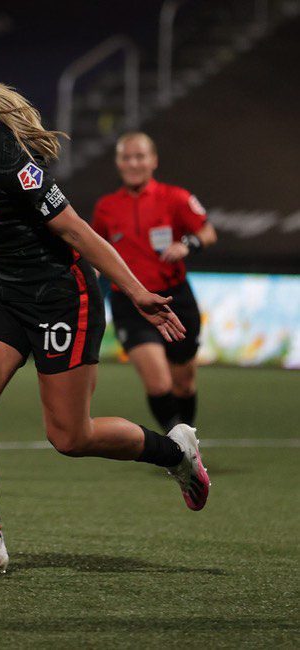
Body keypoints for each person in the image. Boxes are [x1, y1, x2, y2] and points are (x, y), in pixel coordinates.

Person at [0, 55, 210, 581]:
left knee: (70, 436)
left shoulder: (7, 158)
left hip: (61, 296)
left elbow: (77, 232)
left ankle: (174, 452)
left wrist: (135, 291)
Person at [91, 133, 218, 434]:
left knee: (183, 384)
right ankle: (179, 449)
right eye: (126, 157)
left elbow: (208, 232)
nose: (133, 163)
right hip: (130, 301)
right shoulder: (106, 207)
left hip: (175, 299)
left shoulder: (175, 198)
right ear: (118, 162)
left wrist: (187, 245)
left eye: (140, 156)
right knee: (158, 382)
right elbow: (96, 250)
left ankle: (187, 439)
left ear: (154, 160)